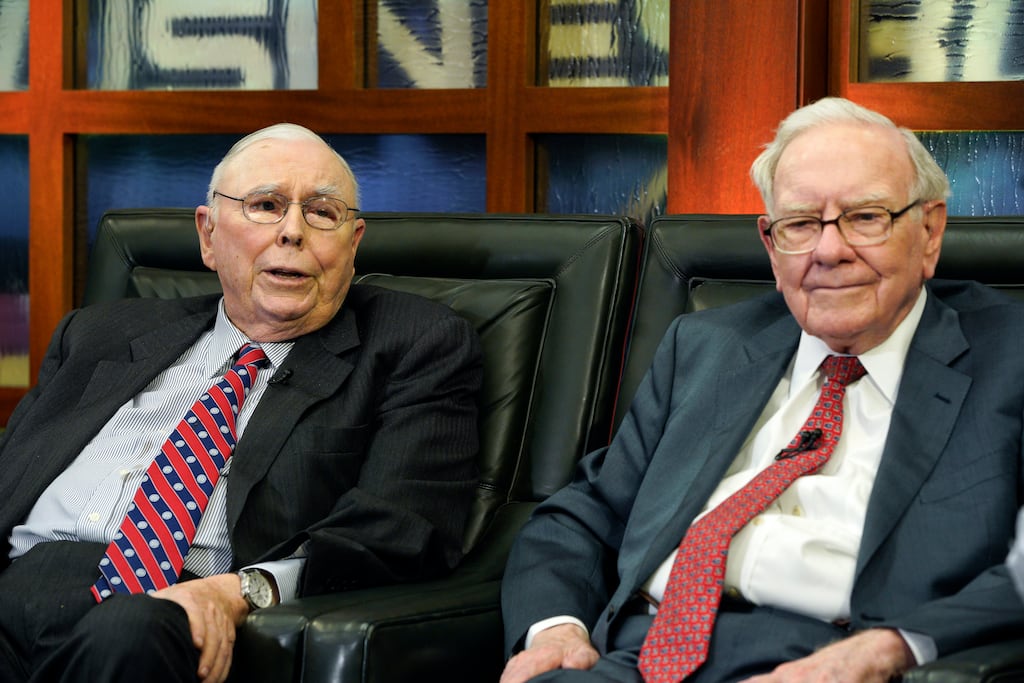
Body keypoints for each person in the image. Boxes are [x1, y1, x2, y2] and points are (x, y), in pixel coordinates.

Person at [500, 97, 1024, 683]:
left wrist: (889, 649)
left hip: (830, 659)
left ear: (929, 232)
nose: (830, 250)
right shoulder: (706, 345)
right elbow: (582, 516)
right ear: (772, 248)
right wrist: (555, 630)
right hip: (634, 656)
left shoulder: (1010, 357)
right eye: (801, 224)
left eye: (866, 217)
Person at [0, 123, 482, 683]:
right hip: (17, 581)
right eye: (266, 205)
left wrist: (243, 590)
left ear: (353, 247)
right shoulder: (99, 333)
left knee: (130, 634)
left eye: (323, 213)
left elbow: (402, 530)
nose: (293, 232)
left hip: (169, 608)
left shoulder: (413, 344)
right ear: (208, 235)